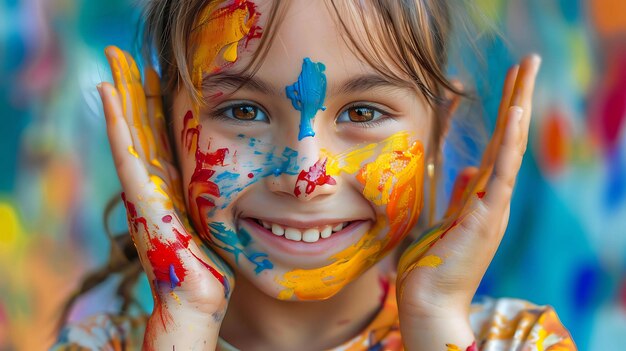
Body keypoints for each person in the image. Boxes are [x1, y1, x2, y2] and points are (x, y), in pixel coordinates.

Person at [52, 0, 576, 350]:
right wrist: (184, 322)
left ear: (440, 131)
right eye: (243, 111)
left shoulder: (517, 339)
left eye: (363, 113)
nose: (307, 176)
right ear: (162, 133)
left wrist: (436, 318)